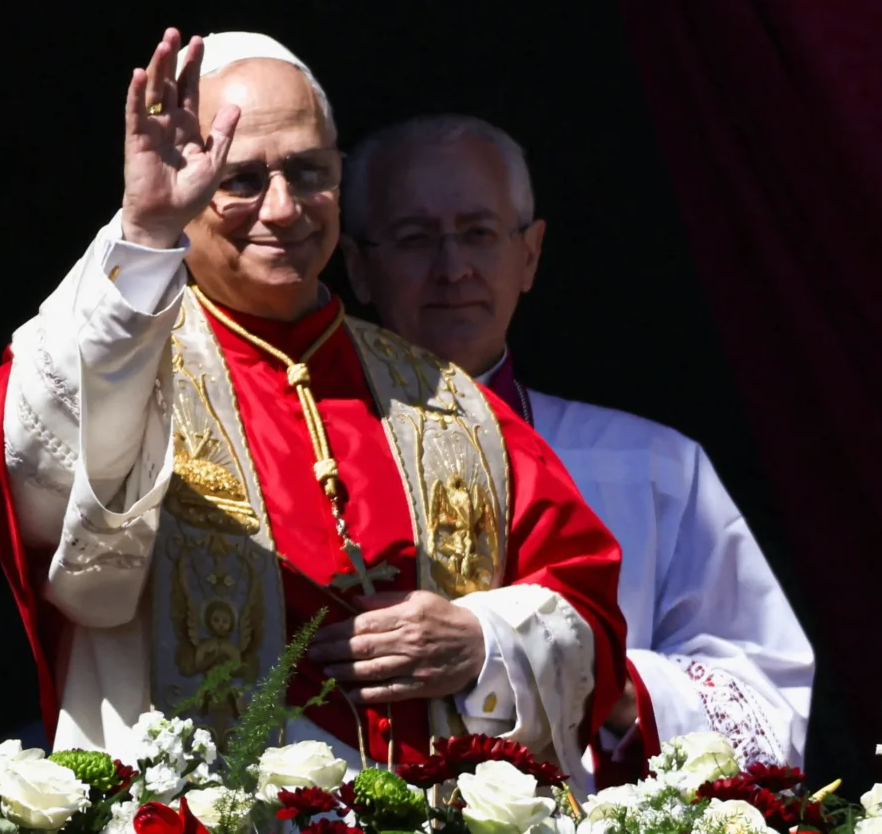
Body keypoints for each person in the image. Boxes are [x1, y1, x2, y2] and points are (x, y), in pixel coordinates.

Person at [0, 30, 629, 781]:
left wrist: (482, 638)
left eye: (309, 171)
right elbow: (15, 445)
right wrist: (145, 231)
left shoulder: (446, 398)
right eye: (240, 179)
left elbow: (588, 607)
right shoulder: (124, 355)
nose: (283, 209)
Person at [341, 114, 814, 771]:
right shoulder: (297, 463)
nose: (453, 268)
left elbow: (770, 707)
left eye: (479, 233)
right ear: (359, 266)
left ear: (529, 254)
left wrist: (585, 675)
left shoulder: (651, 467)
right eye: (416, 238)